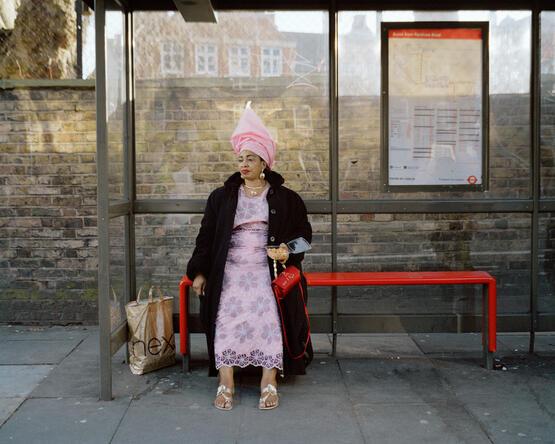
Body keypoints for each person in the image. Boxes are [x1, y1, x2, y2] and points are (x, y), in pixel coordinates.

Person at [186, 103, 313, 411]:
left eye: (251, 158)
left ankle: (269, 379)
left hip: (266, 267)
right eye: (241, 158)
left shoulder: (286, 198)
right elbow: (205, 238)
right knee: (226, 309)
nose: (244, 164)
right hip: (228, 266)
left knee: (268, 309)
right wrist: (199, 272)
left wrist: (288, 251)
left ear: (264, 162)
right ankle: (225, 381)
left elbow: (304, 237)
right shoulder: (221, 197)